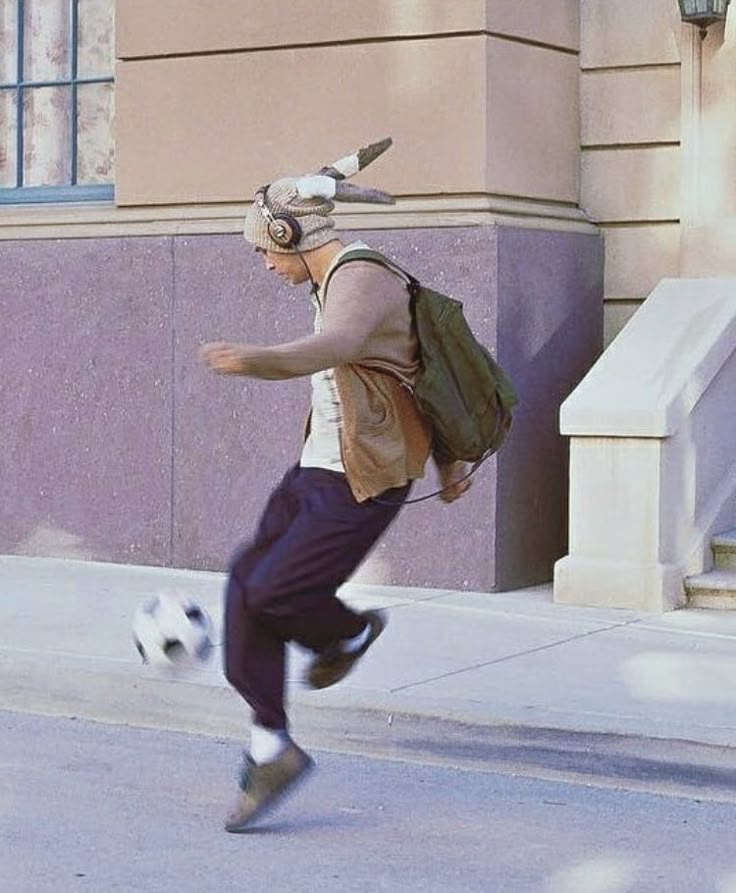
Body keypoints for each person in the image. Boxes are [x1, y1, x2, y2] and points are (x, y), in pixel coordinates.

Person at [199, 138, 470, 833]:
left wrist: (257, 360)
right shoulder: (332, 280)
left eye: (266, 248)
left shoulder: (364, 277)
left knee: (273, 590)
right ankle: (271, 747)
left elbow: (339, 345)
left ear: (292, 234)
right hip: (316, 466)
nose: (264, 262)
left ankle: (343, 633)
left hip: (364, 476)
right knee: (243, 586)